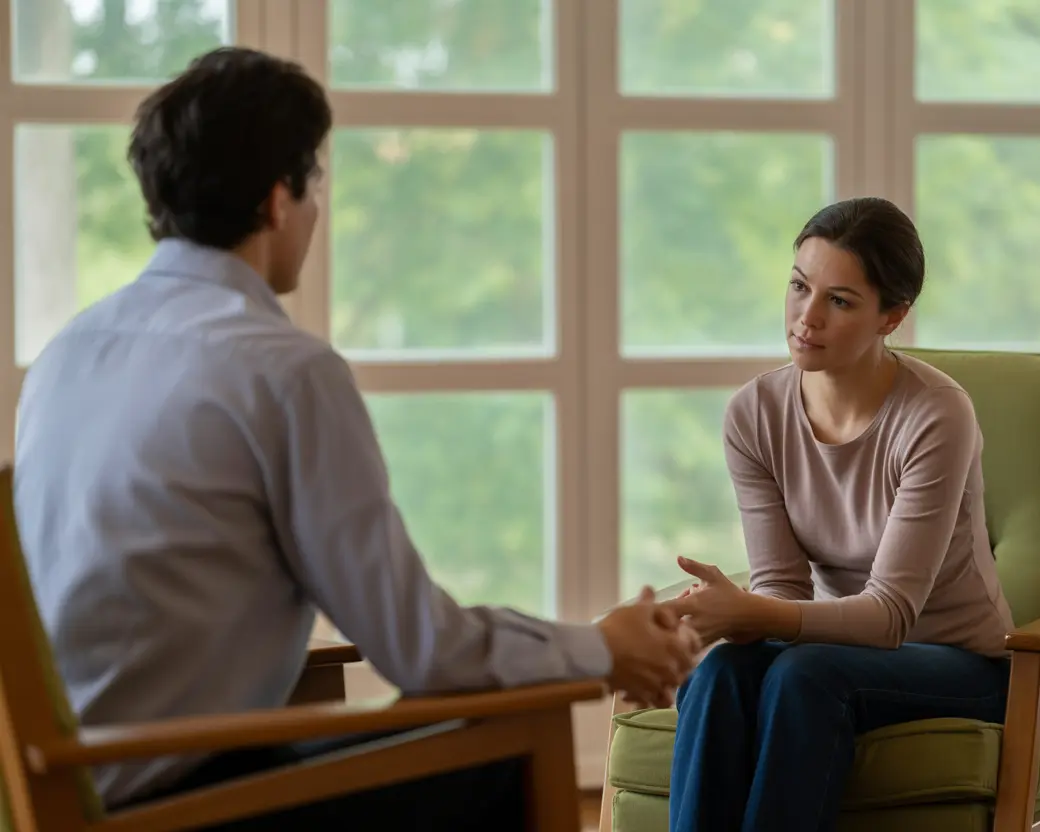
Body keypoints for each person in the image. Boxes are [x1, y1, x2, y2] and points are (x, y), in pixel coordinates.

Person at [13, 46, 699, 830]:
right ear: (279, 199)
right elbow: (422, 650)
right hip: (176, 804)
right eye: (315, 186)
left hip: (62, 786)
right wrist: (603, 648)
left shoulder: (69, 350)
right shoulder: (283, 370)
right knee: (505, 740)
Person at [661, 197, 1016, 832]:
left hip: (960, 663)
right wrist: (724, 618)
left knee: (806, 675)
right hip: (830, 649)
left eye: (841, 301)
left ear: (893, 316)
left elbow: (889, 618)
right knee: (720, 674)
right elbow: (782, 589)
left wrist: (752, 613)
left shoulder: (936, 415)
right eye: (800, 286)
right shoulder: (755, 413)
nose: (806, 317)